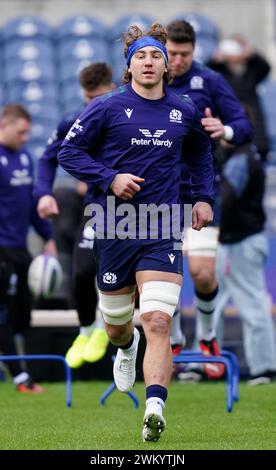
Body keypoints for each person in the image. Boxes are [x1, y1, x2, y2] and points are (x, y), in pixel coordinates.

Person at [58, 22, 214, 442]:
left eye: (156, 56)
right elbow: (68, 151)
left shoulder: (182, 110)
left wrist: (203, 197)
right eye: (140, 56)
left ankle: (154, 407)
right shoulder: (106, 107)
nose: (149, 62)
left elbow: (201, 152)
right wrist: (109, 177)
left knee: (159, 320)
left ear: (167, 66)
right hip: (112, 226)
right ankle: (125, 349)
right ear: (130, 66)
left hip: (162, 227)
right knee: (117, 327)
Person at [165, 20, 253, 379]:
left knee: (201, 274)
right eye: (172, 52)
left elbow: (243, 126)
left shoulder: (209, 82)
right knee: (163, 277)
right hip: (160, 193)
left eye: (184, 54)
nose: (177, 60)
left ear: (194, 51)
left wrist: (225, 129)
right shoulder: (149, 79)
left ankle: (208, 338)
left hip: (200, 191)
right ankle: (172, 340)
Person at [34, 63, 116, 368]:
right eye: (88, 98)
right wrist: (44, 192)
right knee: (82, 272)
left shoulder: (126, 115)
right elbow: (47, 158)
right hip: (98, 208)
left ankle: (108, 330)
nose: (92, 105)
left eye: (98, 98)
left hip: (139, 210)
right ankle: (86, 330)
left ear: (111, 88)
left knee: (127, 277)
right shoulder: (76, 119)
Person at [0, 104, 56, 392]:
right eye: (20, 132)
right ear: (4, 126)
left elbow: (33, 203)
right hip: (1, 250)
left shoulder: (23, 157)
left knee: (23, 314)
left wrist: (48, 237)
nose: (25, 138)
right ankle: (21, 378)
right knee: (5, 316)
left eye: (27, 133)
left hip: (20, 248)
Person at [214, 142, 276, 384]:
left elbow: (226, 199)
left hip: (241, 241)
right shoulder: (240, 156)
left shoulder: (240, 159)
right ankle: (205, 365)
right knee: (213, 303)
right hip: (234, 241)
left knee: (252, 304)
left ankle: (264, 367)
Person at [208, 35, 271, 161]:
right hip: (230, 133)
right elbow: (205, 75)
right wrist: (215, 59)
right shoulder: (221, 73)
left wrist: (251, 52)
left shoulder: (252, 71)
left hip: (256, 132)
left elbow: (266, 68)